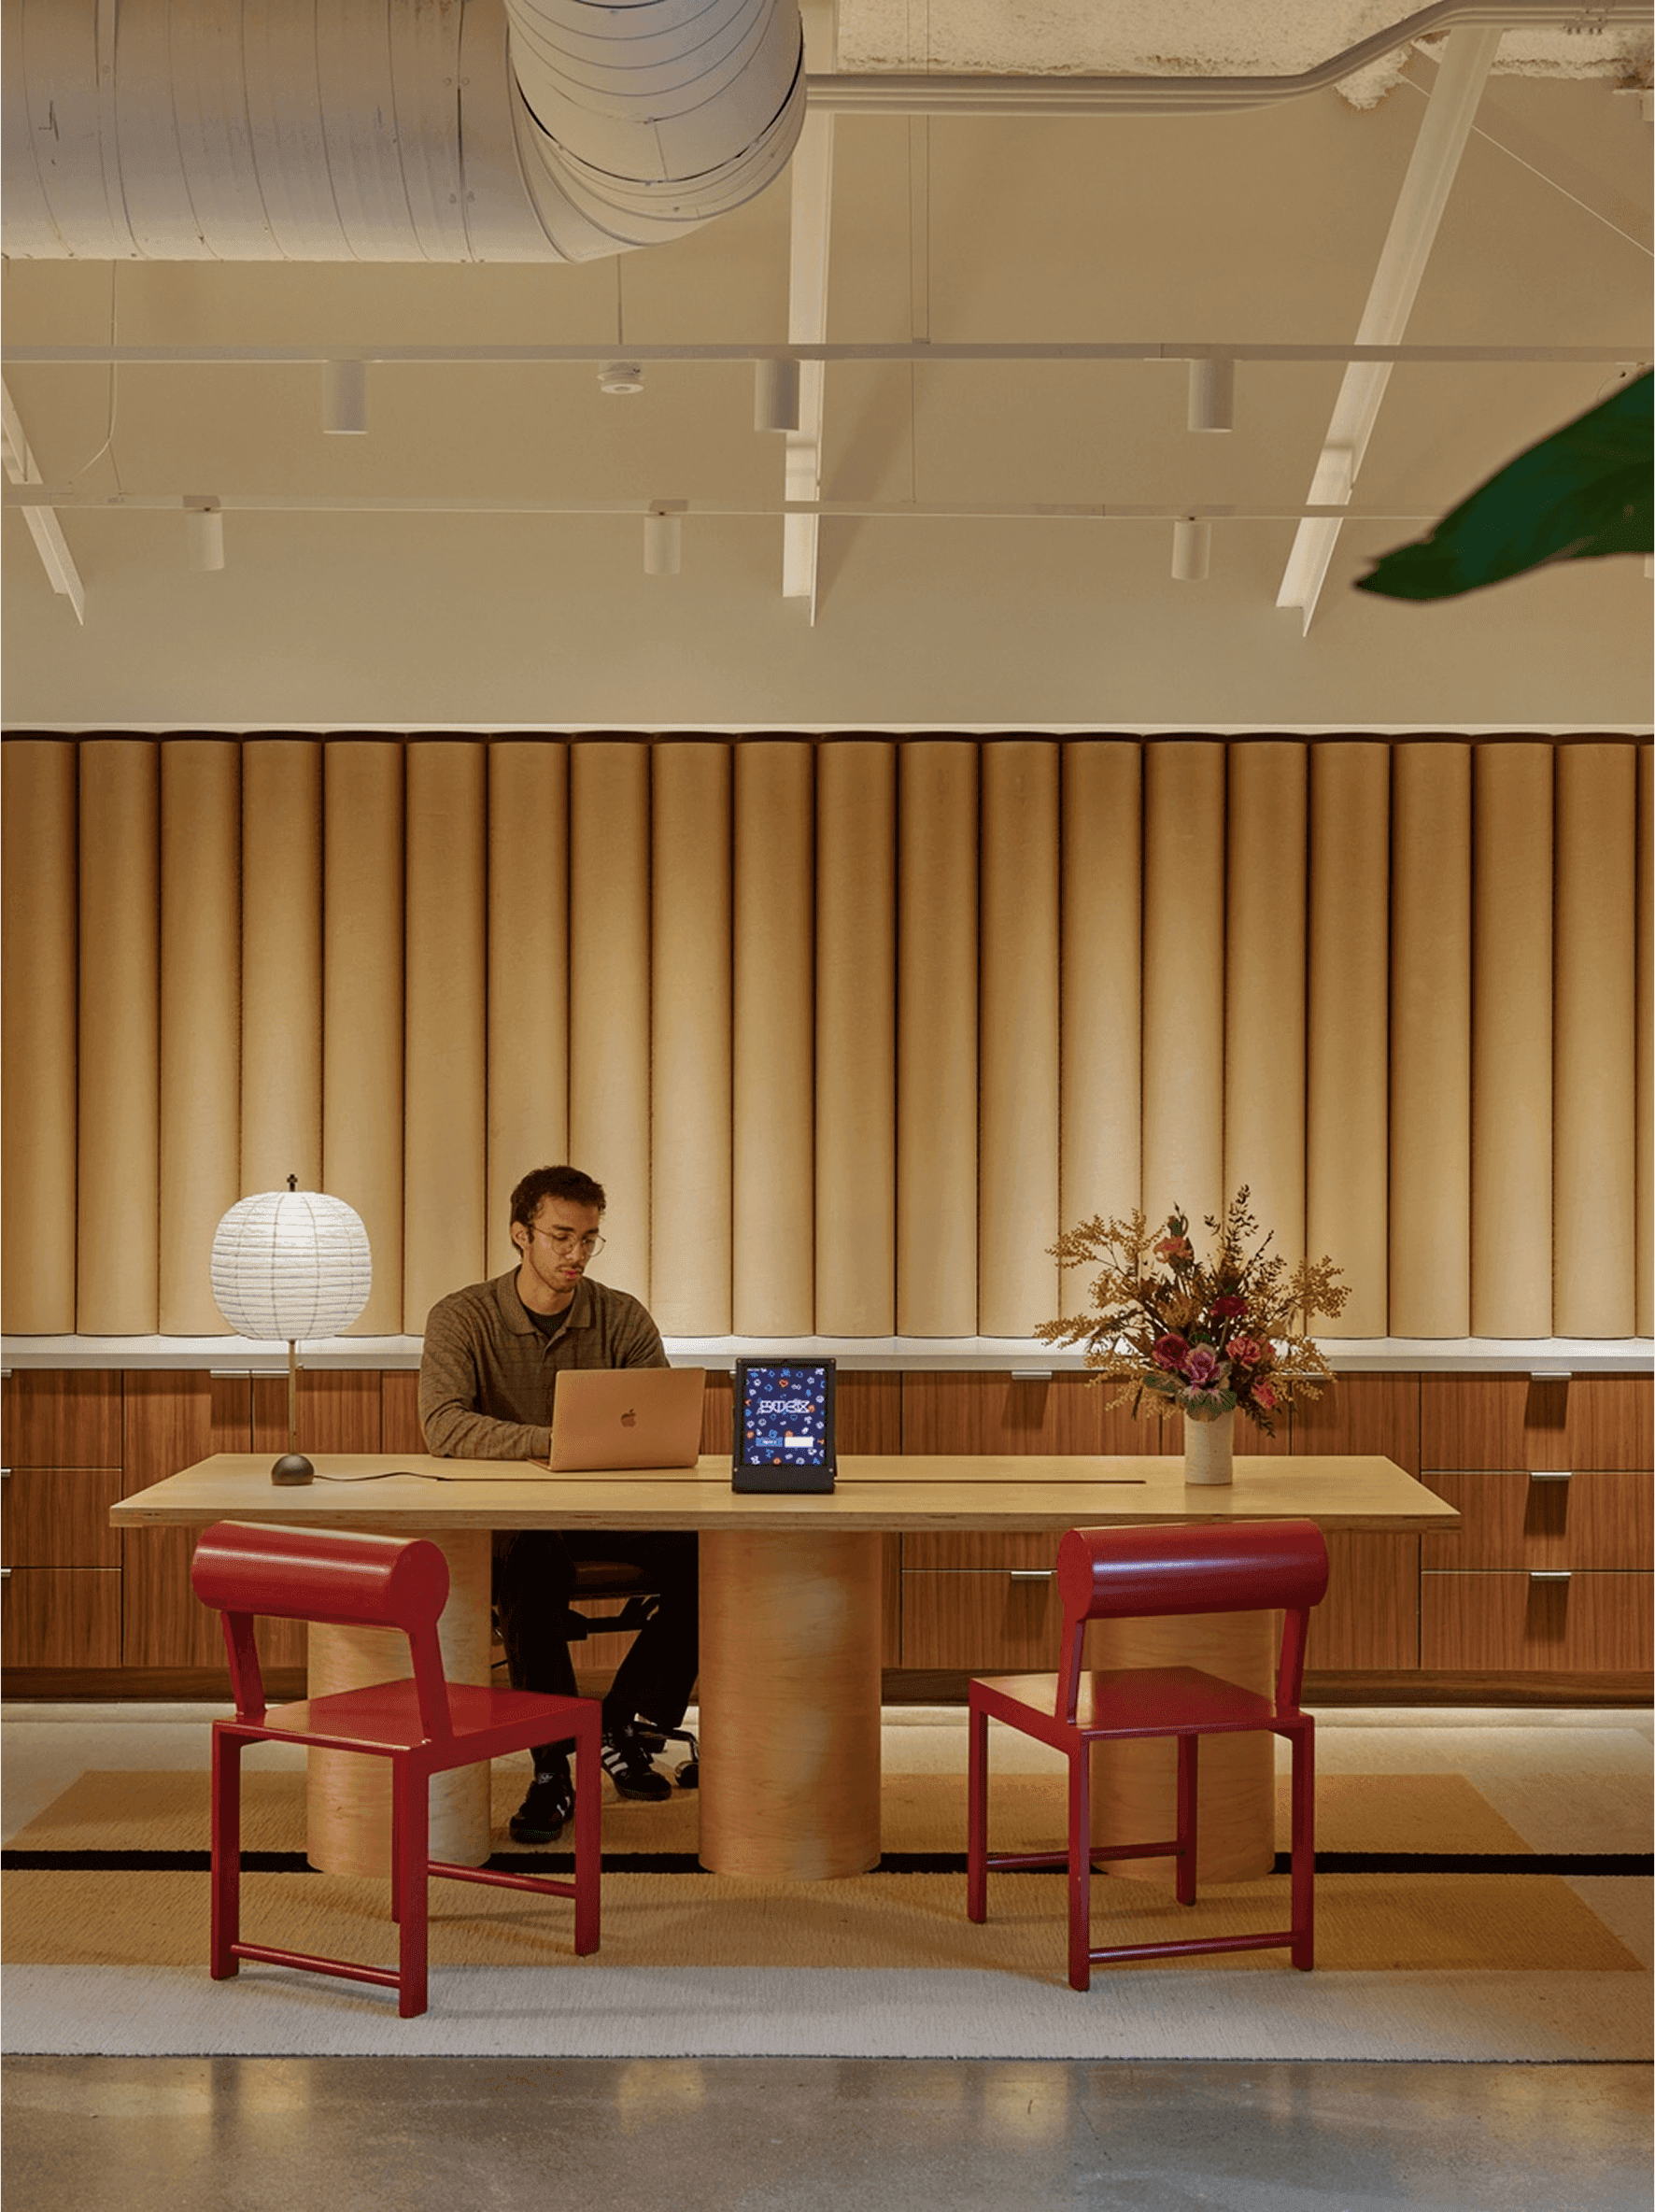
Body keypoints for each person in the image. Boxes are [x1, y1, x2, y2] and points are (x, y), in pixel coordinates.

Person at [418, 1164, 699, 1846]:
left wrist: (584, 1448)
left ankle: (621, 1717)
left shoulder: (622, 1316)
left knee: (715, 1556)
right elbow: (445, 1426)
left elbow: (658, 1422)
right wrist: (560, 1440)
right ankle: (551, 1767)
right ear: (521, 1235)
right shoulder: (462, 1317)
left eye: (589, 1239)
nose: (576, 1254)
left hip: (609, 1513)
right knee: (530, 1562)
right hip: (517, 1522)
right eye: (561, 1236)